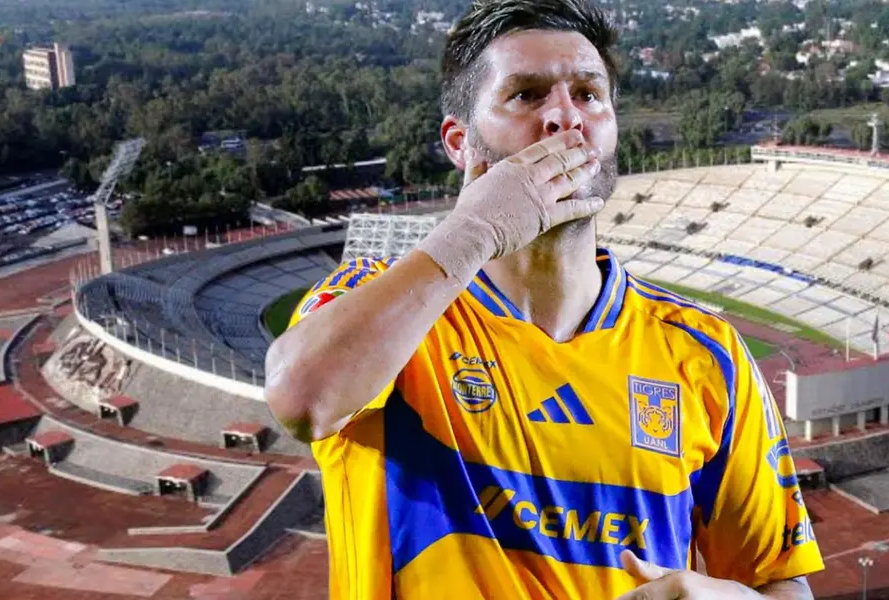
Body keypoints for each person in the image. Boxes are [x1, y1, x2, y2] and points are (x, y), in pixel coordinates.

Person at [264, 0, 824, 597]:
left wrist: (714, 597)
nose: (566, 117)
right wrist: (474, 230)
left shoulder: (706, 355)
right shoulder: (387, 308)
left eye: (588, 94)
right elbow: (302, 400)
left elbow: (778, 584)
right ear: (460, 143)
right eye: (527, 95)